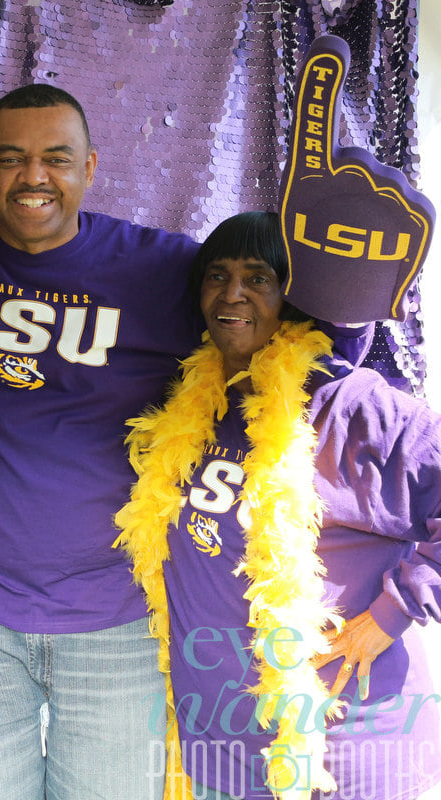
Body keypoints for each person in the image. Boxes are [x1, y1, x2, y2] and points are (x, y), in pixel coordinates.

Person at [0, 83, 202, 798]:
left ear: (90, 168)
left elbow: (276, 337)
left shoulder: (164, 271)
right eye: (11, 160)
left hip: (115, 618)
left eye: (55, 159)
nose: (33, 176)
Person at [115, 210, 441, 799]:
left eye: (258, 277)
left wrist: (392, 613)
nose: (232, 293)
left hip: (342, 753)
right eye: (217, 275)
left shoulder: (347, 407)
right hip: (222, 753)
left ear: (294, 295)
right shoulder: (193, 406)